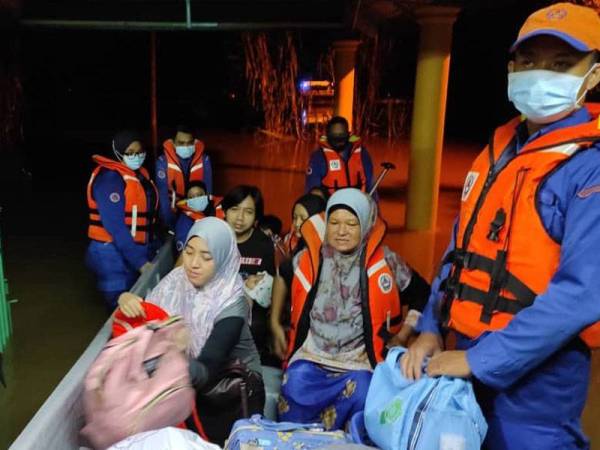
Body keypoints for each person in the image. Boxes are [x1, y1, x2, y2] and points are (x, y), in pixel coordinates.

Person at [401, 4, 600, 449]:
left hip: (538, 378)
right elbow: (460, 246)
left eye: (562, 64)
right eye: (528, 62)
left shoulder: (590, 166)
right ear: (511, 67)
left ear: (594, 74)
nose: (540, 74)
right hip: (462, 352)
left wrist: (479, 360)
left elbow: (583, 293)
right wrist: (432, 324)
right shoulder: (499, 147)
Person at [277, 188, 430, 430]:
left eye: (351, 223)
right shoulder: (311, 257)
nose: (341, 231)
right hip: (312, 356)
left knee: (365, 392)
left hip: (358, 363)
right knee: (294, 383)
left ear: (366, 225)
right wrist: (275, 321)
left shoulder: (386, 262)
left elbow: (423, 294)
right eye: (334, 222)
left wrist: (404, 334)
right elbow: (283, 274)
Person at [118, 217, 265, 444]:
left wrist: (152, 366)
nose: (193, 264)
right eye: (189, 252)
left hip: (232, 387)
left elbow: (205, 369)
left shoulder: (232, 303)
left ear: (224, 259)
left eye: (206, 257)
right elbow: (150, 319)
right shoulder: (176, 281)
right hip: (187, 380)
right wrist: (128, 301)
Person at [85, 130, 158, 311]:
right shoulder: (108, 180)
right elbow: (115, 227)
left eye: (140, 152)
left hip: (129, 250)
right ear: (118, 153)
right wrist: (141, 263)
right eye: (130, 152)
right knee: (119, 305)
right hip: (109, 254)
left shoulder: (139, 176)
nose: (136, 156)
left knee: (134, 296)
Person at [222, 185, 276, 365]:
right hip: (215, 303)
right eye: (234, 209)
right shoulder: (215, 237)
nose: (239, 218)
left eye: (248, 212)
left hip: (250, 311)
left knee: (255, 325)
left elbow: (267, 286)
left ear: (256, 217)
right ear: (225, 211)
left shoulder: (263, 244)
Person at [270, 193, 327, 359]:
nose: (296, 224)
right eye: (294, 217)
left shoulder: (329, 251)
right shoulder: (299, 253)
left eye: (303, 218)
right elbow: (283, 272)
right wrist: (274, 321)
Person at [156, 124, 213, 230]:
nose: (186, 146)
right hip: (171, 219)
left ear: (195, 142)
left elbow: (208, 194)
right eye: (181, 143)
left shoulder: (205, 160)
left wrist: (203, 222)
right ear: (173, 143)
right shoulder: (162, 163)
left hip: (197, 218)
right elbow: (163, 198)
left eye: (190, 143)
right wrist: (171, 225)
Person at [305, 116, 375, 195]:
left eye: (341, 135)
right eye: (334, 135)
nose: (338, 139)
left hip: (358, 204)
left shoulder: (362, 155)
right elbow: (311, 191)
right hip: (329, 205)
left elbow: (371, 185)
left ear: (348, 134)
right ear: (327, 135)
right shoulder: (318, 158)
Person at [174, 181, 219, 252]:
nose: (196, 199)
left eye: (199, 195)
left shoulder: (216, 209)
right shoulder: (184, 219)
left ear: (206, 195)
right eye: (191, 197)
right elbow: (184, 246)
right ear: (187, 200)